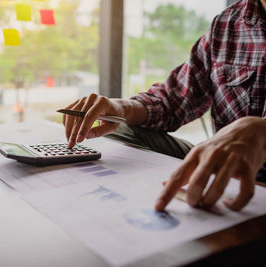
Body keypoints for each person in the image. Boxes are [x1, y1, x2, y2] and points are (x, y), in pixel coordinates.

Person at [62, 0, 266, 212]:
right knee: (120, 126)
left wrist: (260, 132)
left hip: (242, 170)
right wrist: (120, 108)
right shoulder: (226, 24)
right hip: (221, 163)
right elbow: (174, 100)